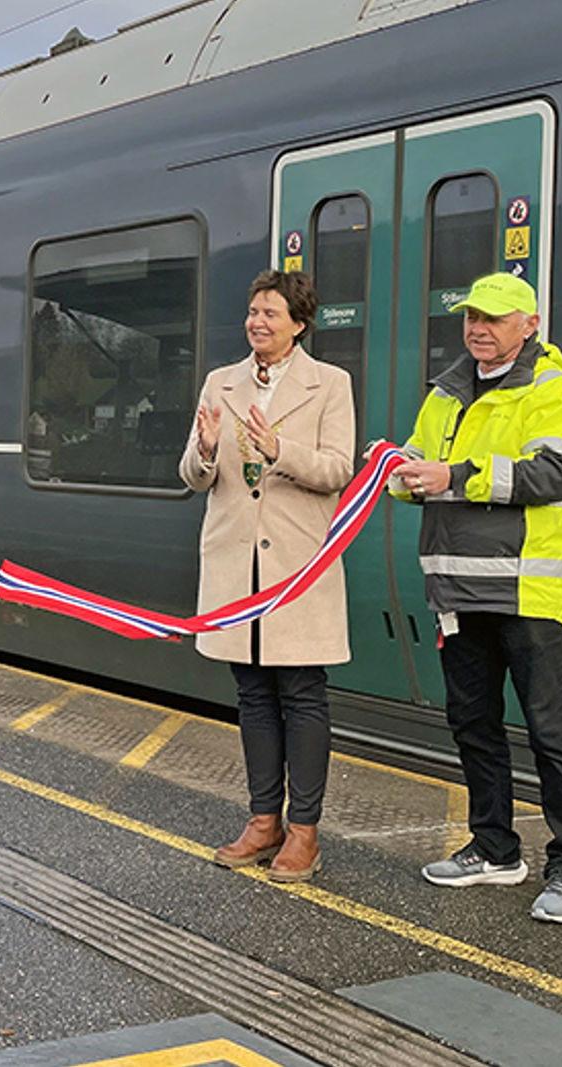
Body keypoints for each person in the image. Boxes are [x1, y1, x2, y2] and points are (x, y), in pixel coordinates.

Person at [392, 272, 562, 923]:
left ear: (529, 325)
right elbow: (419, 459)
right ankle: (495, 848)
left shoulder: (555, 390)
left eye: (496, 318)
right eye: (472, 316)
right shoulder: (445, 392)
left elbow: (551, 474)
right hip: (456, 587)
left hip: (528, 591)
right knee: (472, 723)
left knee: (551, 732)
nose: (479, 327)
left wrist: (451, 476)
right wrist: (398, 471)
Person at [179, 270, 355, 883]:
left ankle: (303, 831)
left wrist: (280, 450)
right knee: (253, 695)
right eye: (253, 312)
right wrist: (202, 451)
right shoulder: (219, 382)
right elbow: (196, 477)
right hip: (235, 566)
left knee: (302, 695)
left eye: (271, 314)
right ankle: (263, 821)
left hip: (296, 568)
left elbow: (337, 469)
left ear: (299, 324)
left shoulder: (330, 384)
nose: (257, 322)